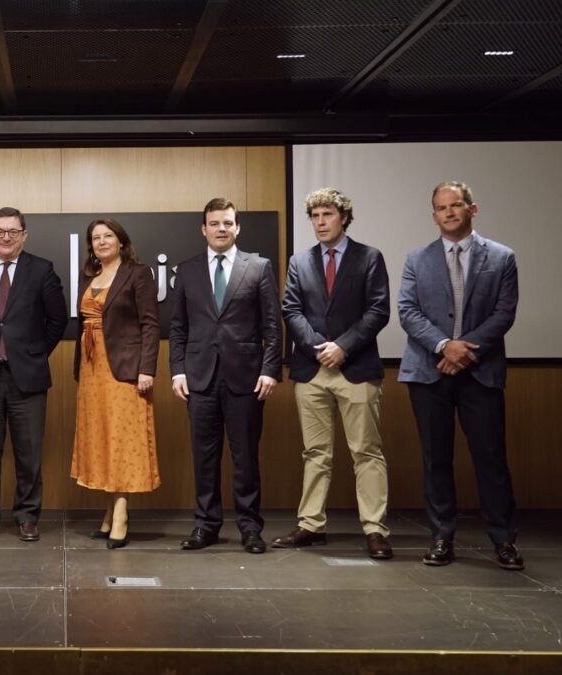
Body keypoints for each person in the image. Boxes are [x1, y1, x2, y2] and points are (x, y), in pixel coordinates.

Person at [397, 180, 522, 570]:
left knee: (491, 459)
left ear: (473, 208)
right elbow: (407, 311)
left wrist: (462, 350)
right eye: (441, 207)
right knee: (436, 459)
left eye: (456, 205)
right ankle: (441, 538)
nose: (449, 212)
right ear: (433, 215)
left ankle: (503, 541)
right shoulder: (417, 259)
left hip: (480, 372)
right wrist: (443, 346)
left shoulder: (502, 257)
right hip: (429, 371)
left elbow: (503, 313)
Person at [275, 188, 392, 559]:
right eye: (315, 216)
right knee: (315, 453)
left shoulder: (369, 258)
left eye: (327, 214)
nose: (320, 222)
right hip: (312, 371)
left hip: (356, 368)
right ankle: (311, 524)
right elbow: (290, 310)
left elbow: (378, 311)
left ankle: (375, 529)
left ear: (343, 217)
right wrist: (319, 349)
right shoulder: (300, 261)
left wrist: (342, 346)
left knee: (367, 452)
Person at [169, 197, 281, 554]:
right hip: (199, 378)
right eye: (215, 223)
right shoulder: (186, 270)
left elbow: (272, 326)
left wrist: (270, 370)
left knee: (246, 456)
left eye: (227, 223)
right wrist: (177, 371)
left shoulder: (259, 267)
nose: (221, 229)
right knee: (204, 457)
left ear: (237, 227)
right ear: (204, 229)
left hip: (246, 378)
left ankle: (250, 528)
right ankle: (206, 526)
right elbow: (178, 327)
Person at [0, 206, 68, 542]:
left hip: (28, 377)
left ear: (24, 234)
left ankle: (27, 517)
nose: (6, 237)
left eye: (13, 231)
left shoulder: (42, 270)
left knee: (28, 452)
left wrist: (32, 353)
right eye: (0, 231)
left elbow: (57, 320)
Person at [70, 218, 160, 549]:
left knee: (124, 439)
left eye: (108, 236)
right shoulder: (87, 277)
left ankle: (121, 513)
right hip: (92, 370)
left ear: (121, 241)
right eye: (96, 238)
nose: (102, 241)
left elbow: (151, 324)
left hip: (125, 368)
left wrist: (147, 368)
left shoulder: (139, 274)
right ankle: (108, 511)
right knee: (104, 438)